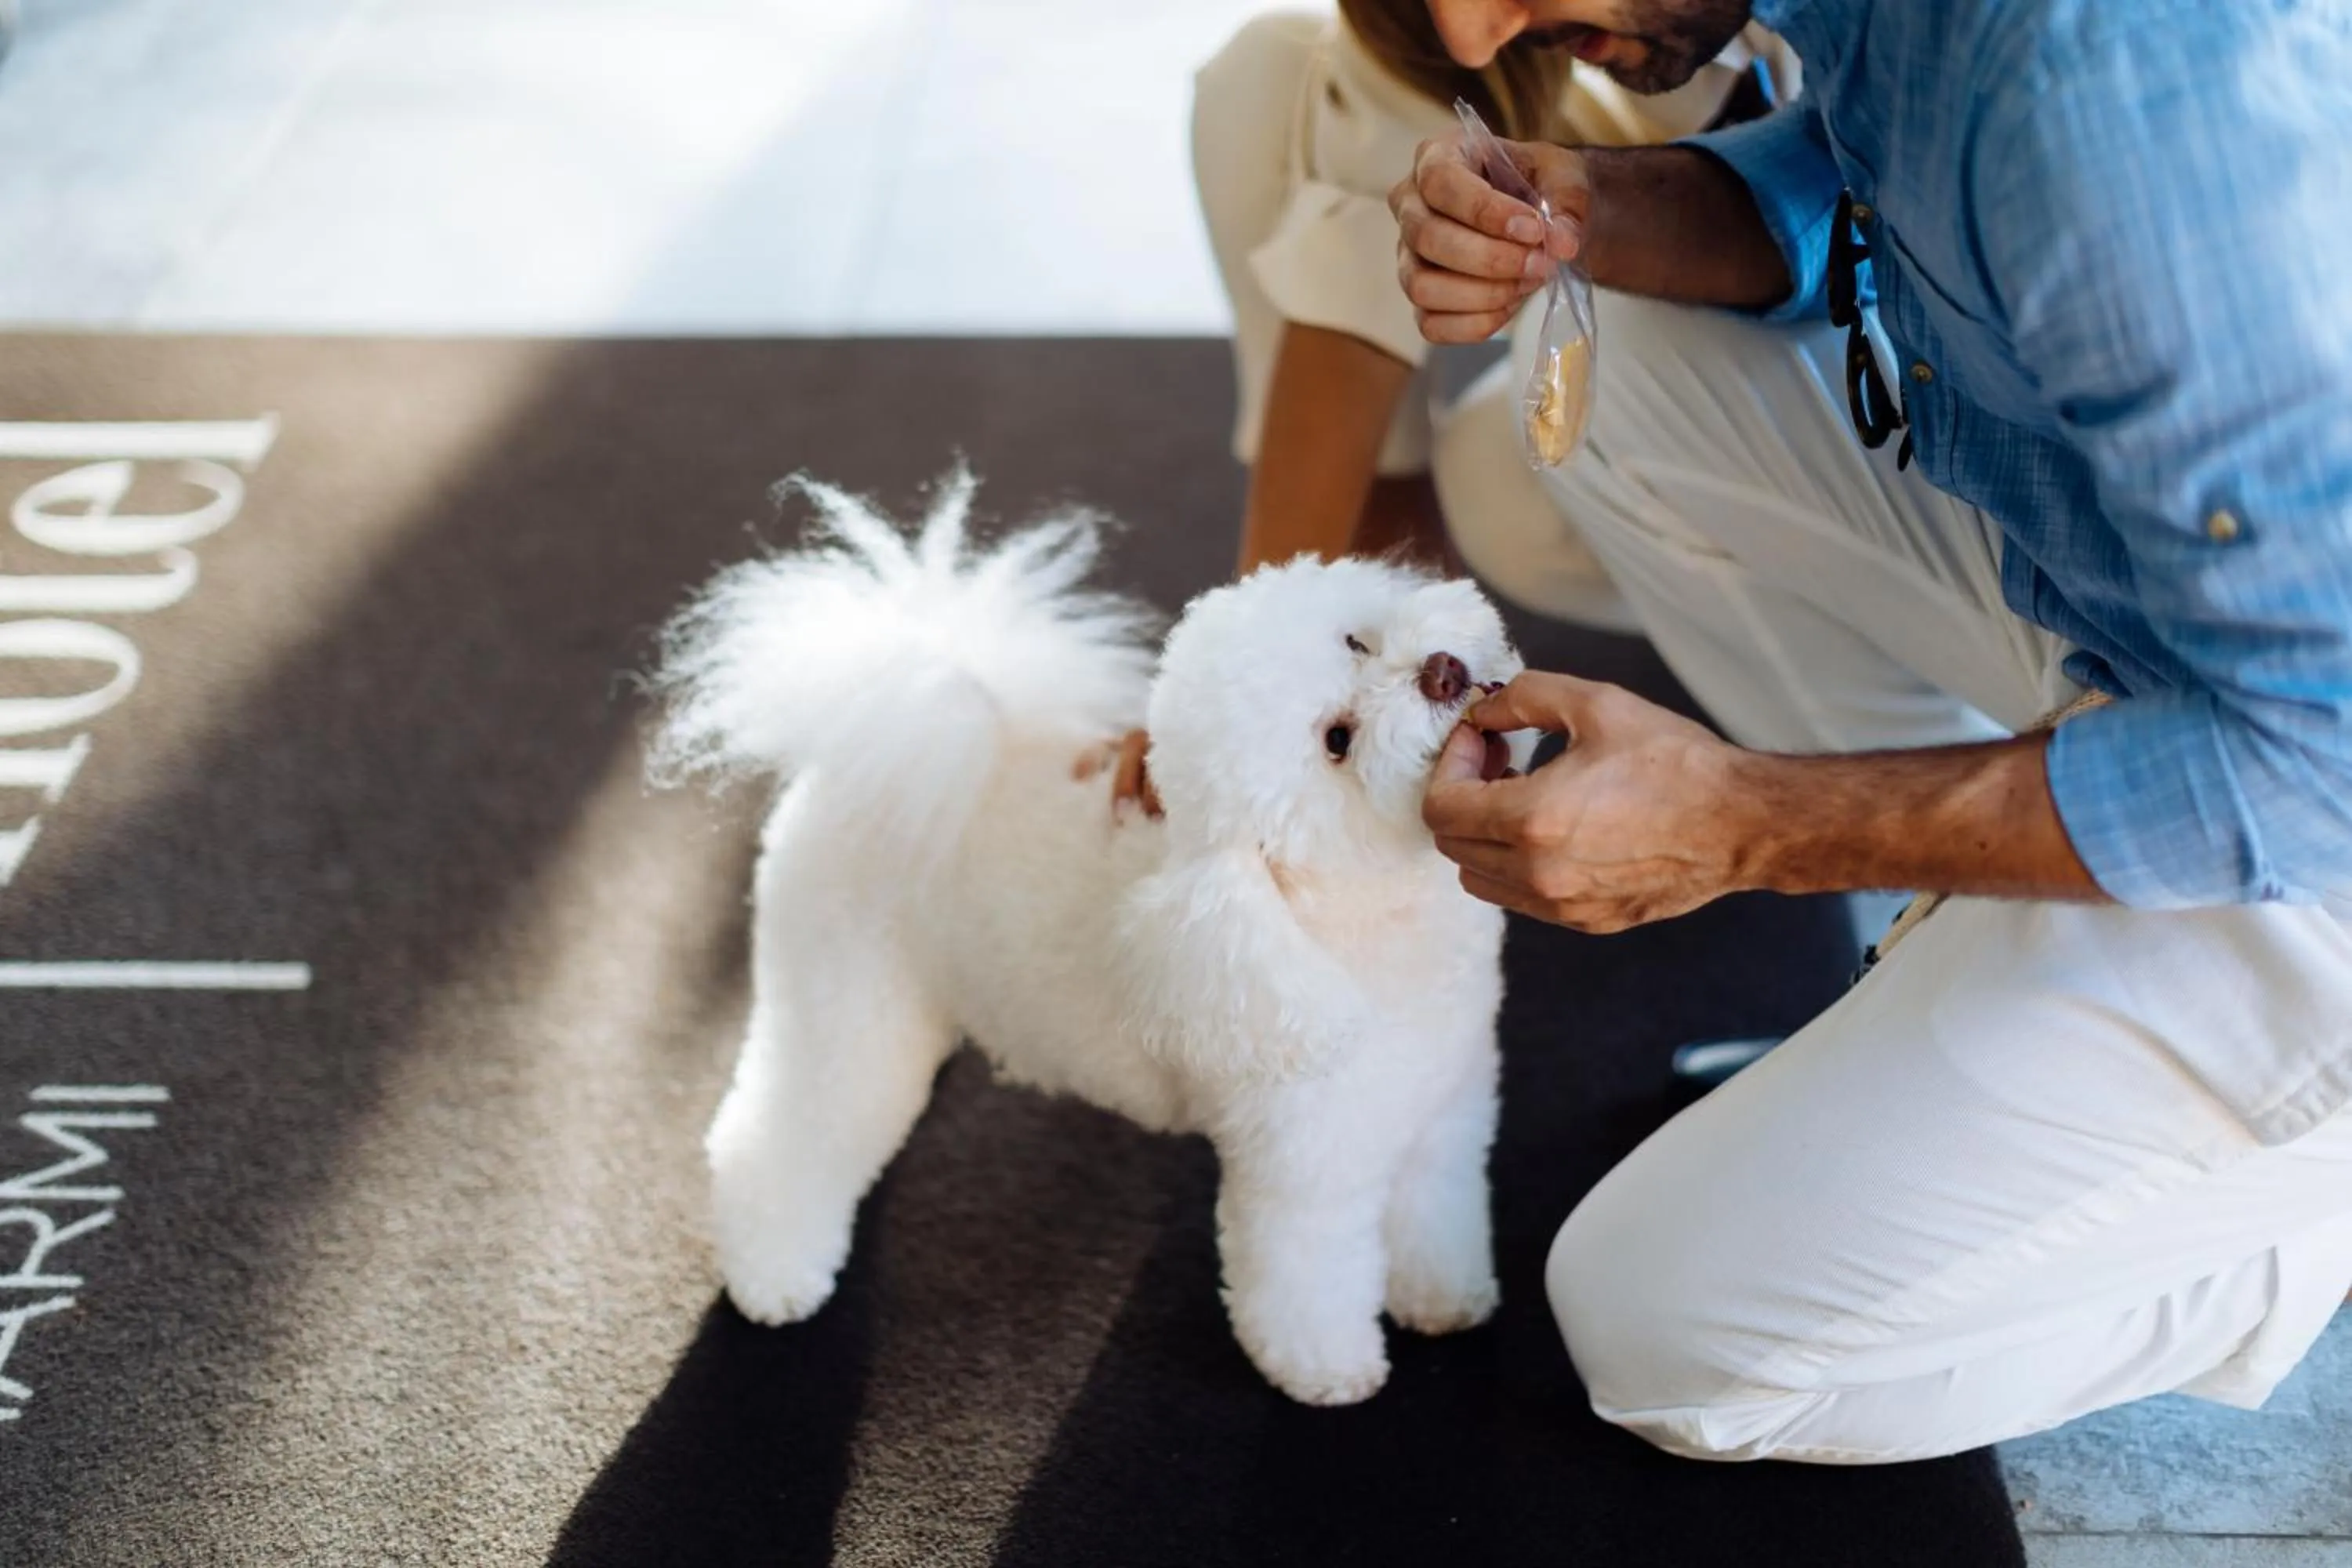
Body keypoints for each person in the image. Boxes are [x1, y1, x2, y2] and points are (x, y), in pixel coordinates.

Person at [1373, 0, 2352, 1462]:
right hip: (2164, 619)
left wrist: (1750, 822)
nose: (1465, 38)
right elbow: (1872, 178)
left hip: (2315, 783)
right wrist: (1589, 205)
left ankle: (2252, 1205)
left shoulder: (2110, 79)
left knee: (1666, 1337)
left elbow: (2323, 759)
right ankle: (1990, 951)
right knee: (1633, 379)